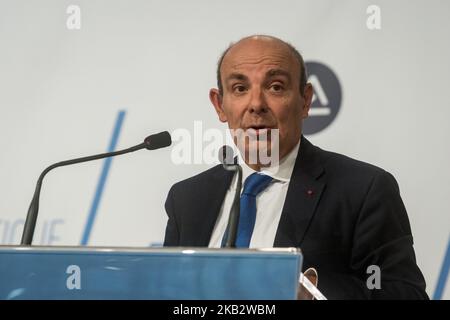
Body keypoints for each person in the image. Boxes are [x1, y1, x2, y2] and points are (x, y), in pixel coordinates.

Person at [163, 35, 428, 299]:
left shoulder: (362, 190)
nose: (256, 104)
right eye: (240, 89)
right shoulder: (187, 199)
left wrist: (312, 293)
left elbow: (405, 293)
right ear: (220, 105)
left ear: (305, 100)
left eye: (275, 87)